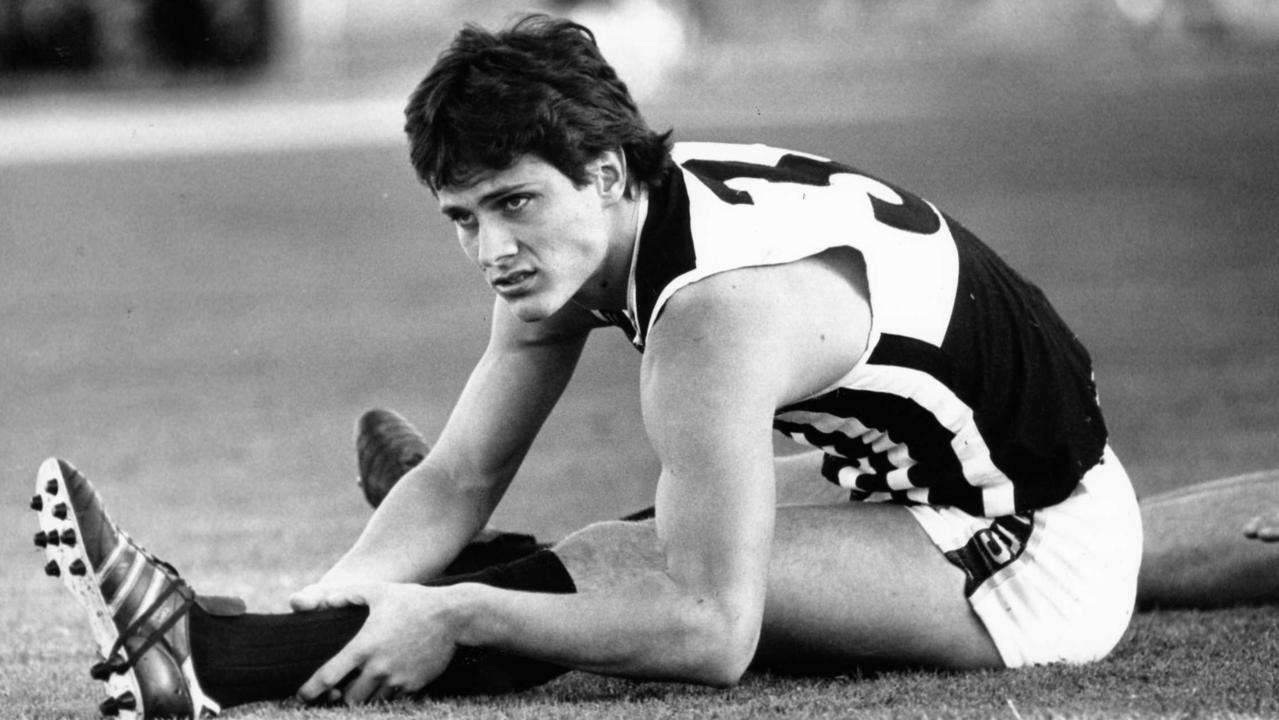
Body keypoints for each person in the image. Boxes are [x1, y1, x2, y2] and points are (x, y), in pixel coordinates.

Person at [25, 13, 1272, 719]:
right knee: (610, 535)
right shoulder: (601, 224)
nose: (491, 249)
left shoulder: (712, 317)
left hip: (1027, 559)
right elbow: (457, 468)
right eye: (461, 217)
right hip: (922, 475)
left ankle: (200, 664)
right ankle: (312, 624)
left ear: (606, 175)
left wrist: (451, 608)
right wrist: (337, 601)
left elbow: (710, 636)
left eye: (511, 204)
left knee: (635, 566)